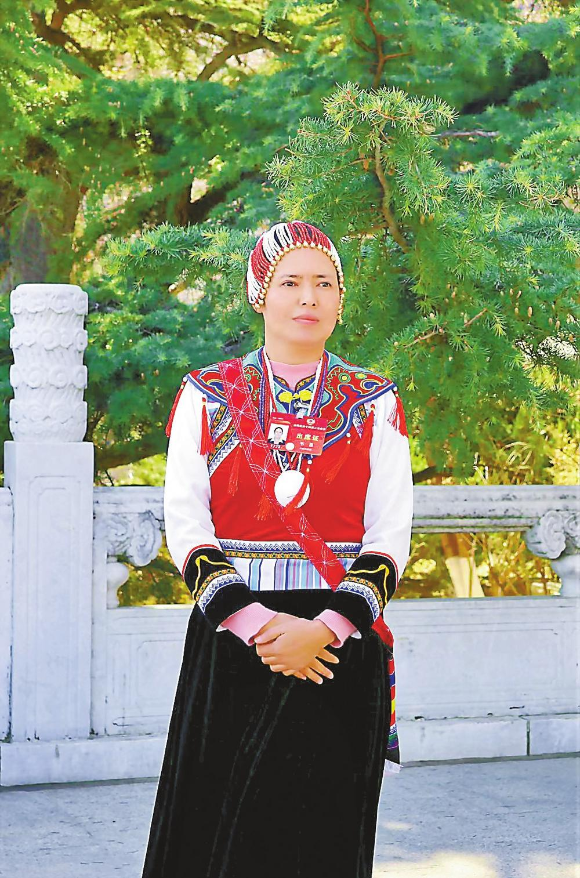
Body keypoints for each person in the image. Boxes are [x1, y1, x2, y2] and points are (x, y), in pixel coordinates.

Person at [141, 220, 414, 878]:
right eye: (290, 282)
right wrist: (259, 626)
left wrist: (324, 629)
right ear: (260, 294)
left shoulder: (375, 401)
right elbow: (187, 524)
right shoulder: (207, 395)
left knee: (322, 839)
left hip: (336, 647)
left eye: (324, 283)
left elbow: (389, 536)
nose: (308, 297)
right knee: (218, 839)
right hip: (234, 640)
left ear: (341, 299)